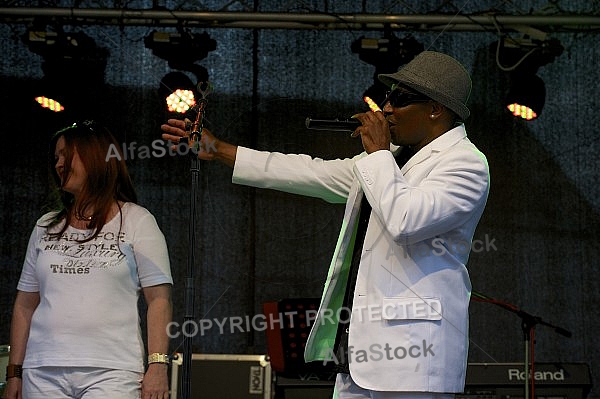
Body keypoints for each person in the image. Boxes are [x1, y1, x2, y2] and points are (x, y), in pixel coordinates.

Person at [162, 51, 490, 399]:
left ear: (436, 108)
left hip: (414, 360)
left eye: (400, 99)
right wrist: (221, 150)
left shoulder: (465, 164)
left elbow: (406, 220)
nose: (386, 108)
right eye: (387, 97)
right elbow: (311, 171)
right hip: (355, 358)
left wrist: (378, 153)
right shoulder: (389, 159)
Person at [5, 121, 173, 399]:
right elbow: (25, 304)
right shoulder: (45, 226)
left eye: (66, 154)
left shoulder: (136, 220)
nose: (59, 163)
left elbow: (159, 299)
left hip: (112, 370)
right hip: (42, 369)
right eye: (56, 156)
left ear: (95, 157)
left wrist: (157, 365)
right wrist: (15, 372)